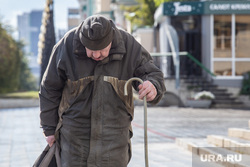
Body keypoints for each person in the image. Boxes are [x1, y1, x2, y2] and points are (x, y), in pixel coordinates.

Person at [39, 15, 166, 167]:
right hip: (75, 140)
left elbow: (153, 74)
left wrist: (153, 86)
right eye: (91, 50)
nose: (97, 55)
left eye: (102, 50)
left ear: (111, 42)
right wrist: (49, 129)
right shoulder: (66, 45)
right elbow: (49, 88)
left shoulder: (128, 44)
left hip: (114, 140)